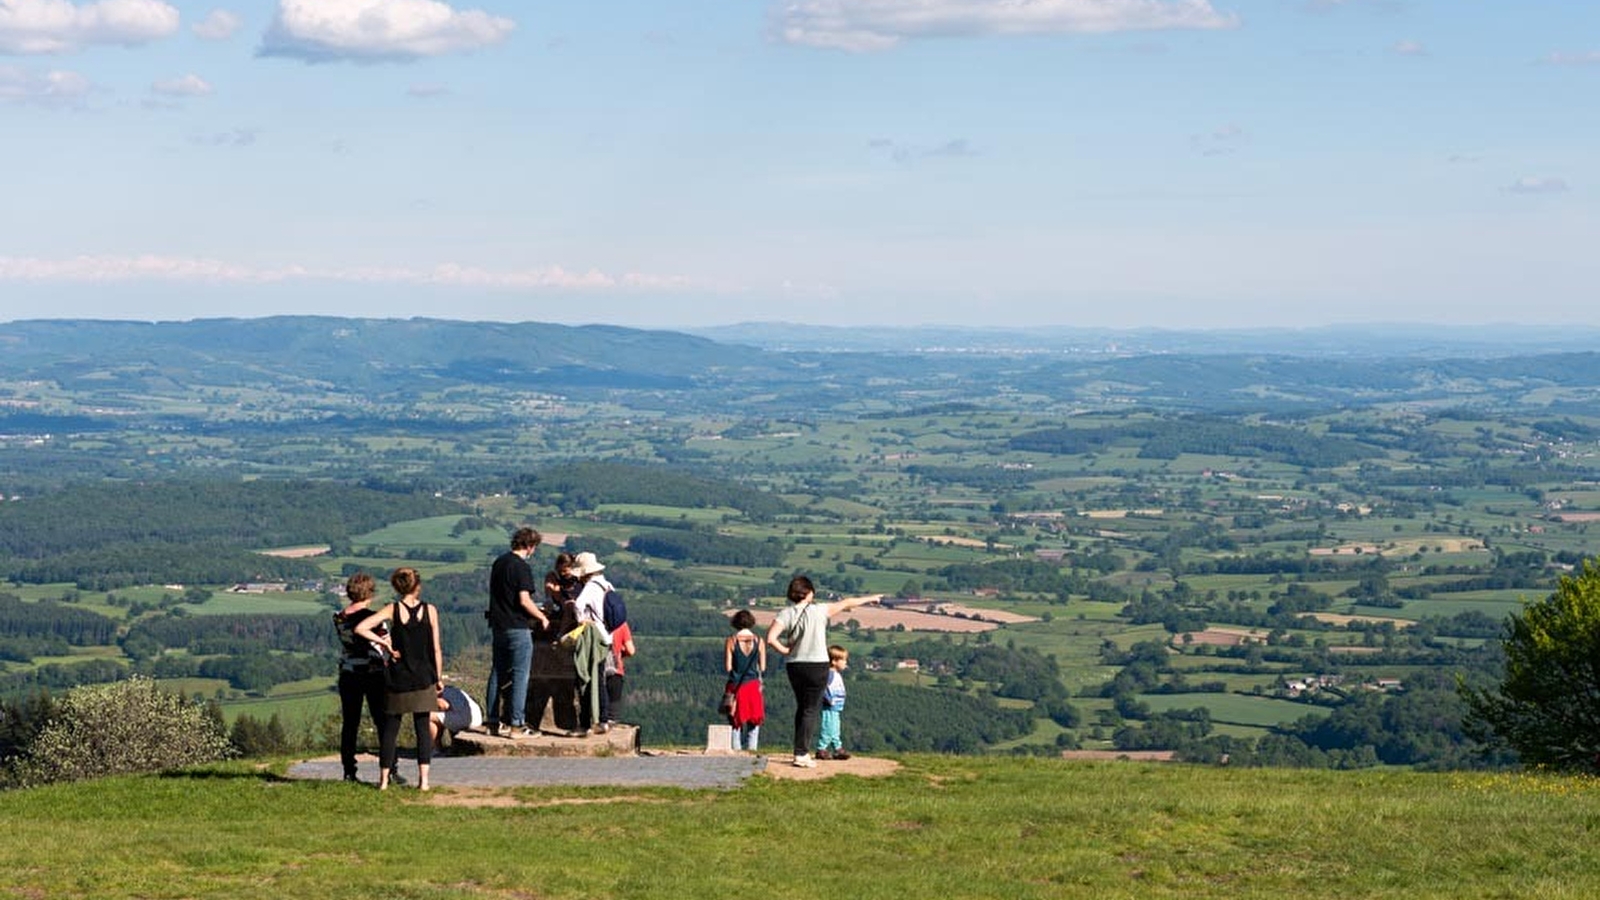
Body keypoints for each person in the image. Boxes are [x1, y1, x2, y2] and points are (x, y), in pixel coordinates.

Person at [766, 575, 879, 768]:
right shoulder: (819, 610)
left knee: (802, 708)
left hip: (794, 665)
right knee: (810, 709)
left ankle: (800, 750)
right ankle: (801, 754)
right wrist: (871, 598)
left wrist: (785, 650)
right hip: (817, 665)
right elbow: (847, 603)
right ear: (810, 593)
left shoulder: (786, 613)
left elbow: (770, 638)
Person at [355, 567, 443, 791]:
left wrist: (384, 643)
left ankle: (383, 781)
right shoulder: (430, 610)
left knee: (390, 730)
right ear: (418, 586)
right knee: (423, 729)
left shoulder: (393, 609)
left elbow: (361, 628)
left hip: (398, 677)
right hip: (424, 676)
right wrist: (439, 677)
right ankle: (424, 782)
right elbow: (436, 648)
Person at [332, 572, 398, 784]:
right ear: (370, 593)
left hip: (348, 672)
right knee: (382, 721)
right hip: (373, 673)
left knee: (350, 723)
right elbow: (386, 643)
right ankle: (391, 767)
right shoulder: (373, 618)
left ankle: (349, 770)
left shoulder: (339, 617)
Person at [484, 527, 549, 739]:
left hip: (498, 624)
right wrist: (541, 616)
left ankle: (493, 721)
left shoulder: (499, 562)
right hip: (517, 626)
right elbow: (523, 600)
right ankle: (517, 725)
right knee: (521, 674)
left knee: (497, 671)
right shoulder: (521, 567)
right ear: (530, 546)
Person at [566, 551, 614, 736]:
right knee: (599, 680)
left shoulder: (590, 587)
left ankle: (585, 723)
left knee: (585, 679)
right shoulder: (607, 585)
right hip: (607, 638)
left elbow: (578, 605)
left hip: (593, 638)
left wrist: (581, 621)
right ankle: (603, 719)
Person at [723, 609, 765, 752]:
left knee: (735, 721)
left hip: (735, 684)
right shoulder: (759, 641)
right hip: (753, 684)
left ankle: (736, 750)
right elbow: (763, 666)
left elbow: (728, 667)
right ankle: (752, 750)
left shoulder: (731, 641)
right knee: (754, 719)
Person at [816, 645, 852, 761]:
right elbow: (822, 687)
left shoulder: (835, 674)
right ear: (834, 661)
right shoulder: (830, 674)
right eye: (843, 660)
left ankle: (838, 748)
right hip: (830, 706)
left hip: (836, 707)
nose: (845, 663)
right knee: (828, 727)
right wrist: (827, 699)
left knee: (835, 728)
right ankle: (821, 748)